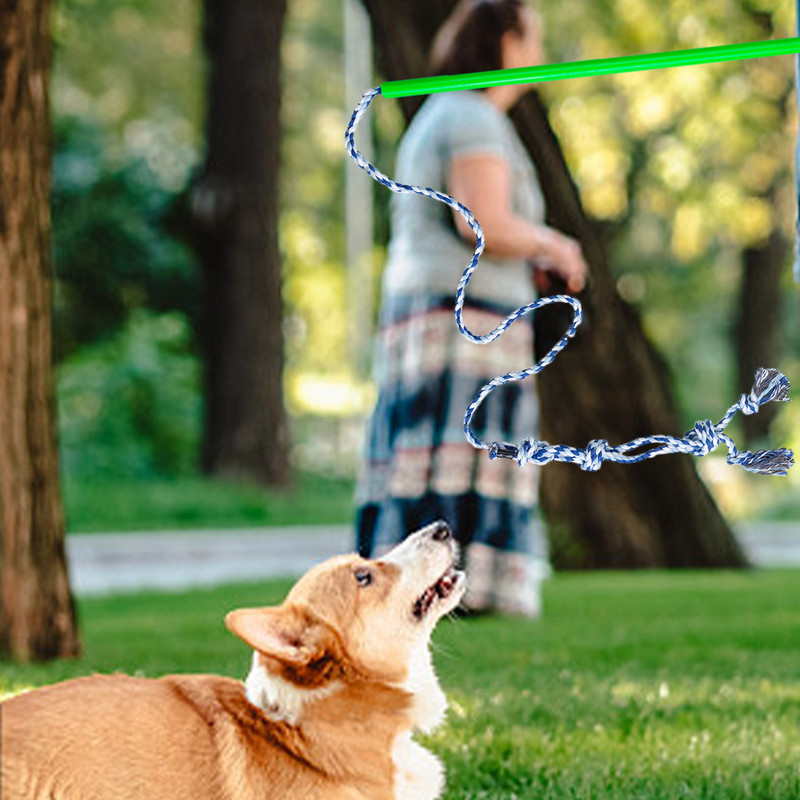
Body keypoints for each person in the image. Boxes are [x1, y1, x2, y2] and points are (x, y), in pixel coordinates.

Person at [354, 0, 588, 616]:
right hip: (465, 315)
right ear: (504, 42)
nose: (538, 50)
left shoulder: (454, 111)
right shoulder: (473, 117)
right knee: (461, 457)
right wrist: (553, 243)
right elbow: (478, 222)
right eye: (531, 36)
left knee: (427, 455)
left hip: (445, 305)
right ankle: (463, 595)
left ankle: (414, 595)